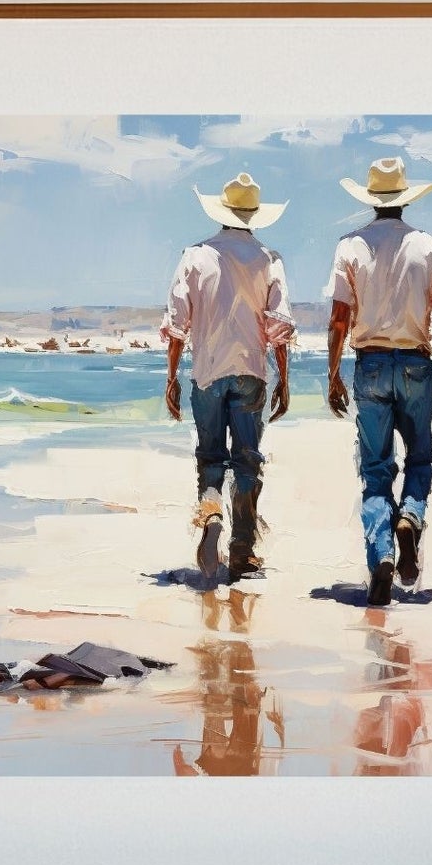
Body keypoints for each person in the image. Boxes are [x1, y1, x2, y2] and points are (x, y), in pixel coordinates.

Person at [326, 158, 432, 606]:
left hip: (368, 363)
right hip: (415, 364)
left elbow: (338, 319)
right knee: (420, 460)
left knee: (374, 472)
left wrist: (332, 373)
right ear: (405, 200)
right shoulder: (427, 246)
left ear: (372, 201)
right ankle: (410, 517)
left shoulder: (349, 246)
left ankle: (383, 556)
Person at [161, 172, 293, 582]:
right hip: (251, 372)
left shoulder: (195, 256)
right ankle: (242, 551)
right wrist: (284, 378)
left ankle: (211, 508)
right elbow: (278, 328)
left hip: (207, 373)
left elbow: (178, 325)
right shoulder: (268, 260)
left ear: (220, 212)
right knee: (248, 461)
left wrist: (171, 378)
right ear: (253, 215)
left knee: (210, 457)